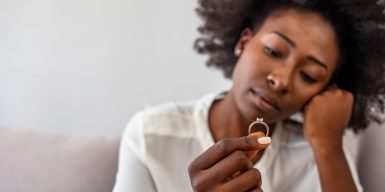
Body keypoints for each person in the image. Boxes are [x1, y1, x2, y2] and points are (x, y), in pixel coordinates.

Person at [113, 0, 385, 191]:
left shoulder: (319, 151)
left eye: (309, 75)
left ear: (324, 91)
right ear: (244, 42)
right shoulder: (152, 136)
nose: (281, 81)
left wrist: (328, 148)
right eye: (274, 51)